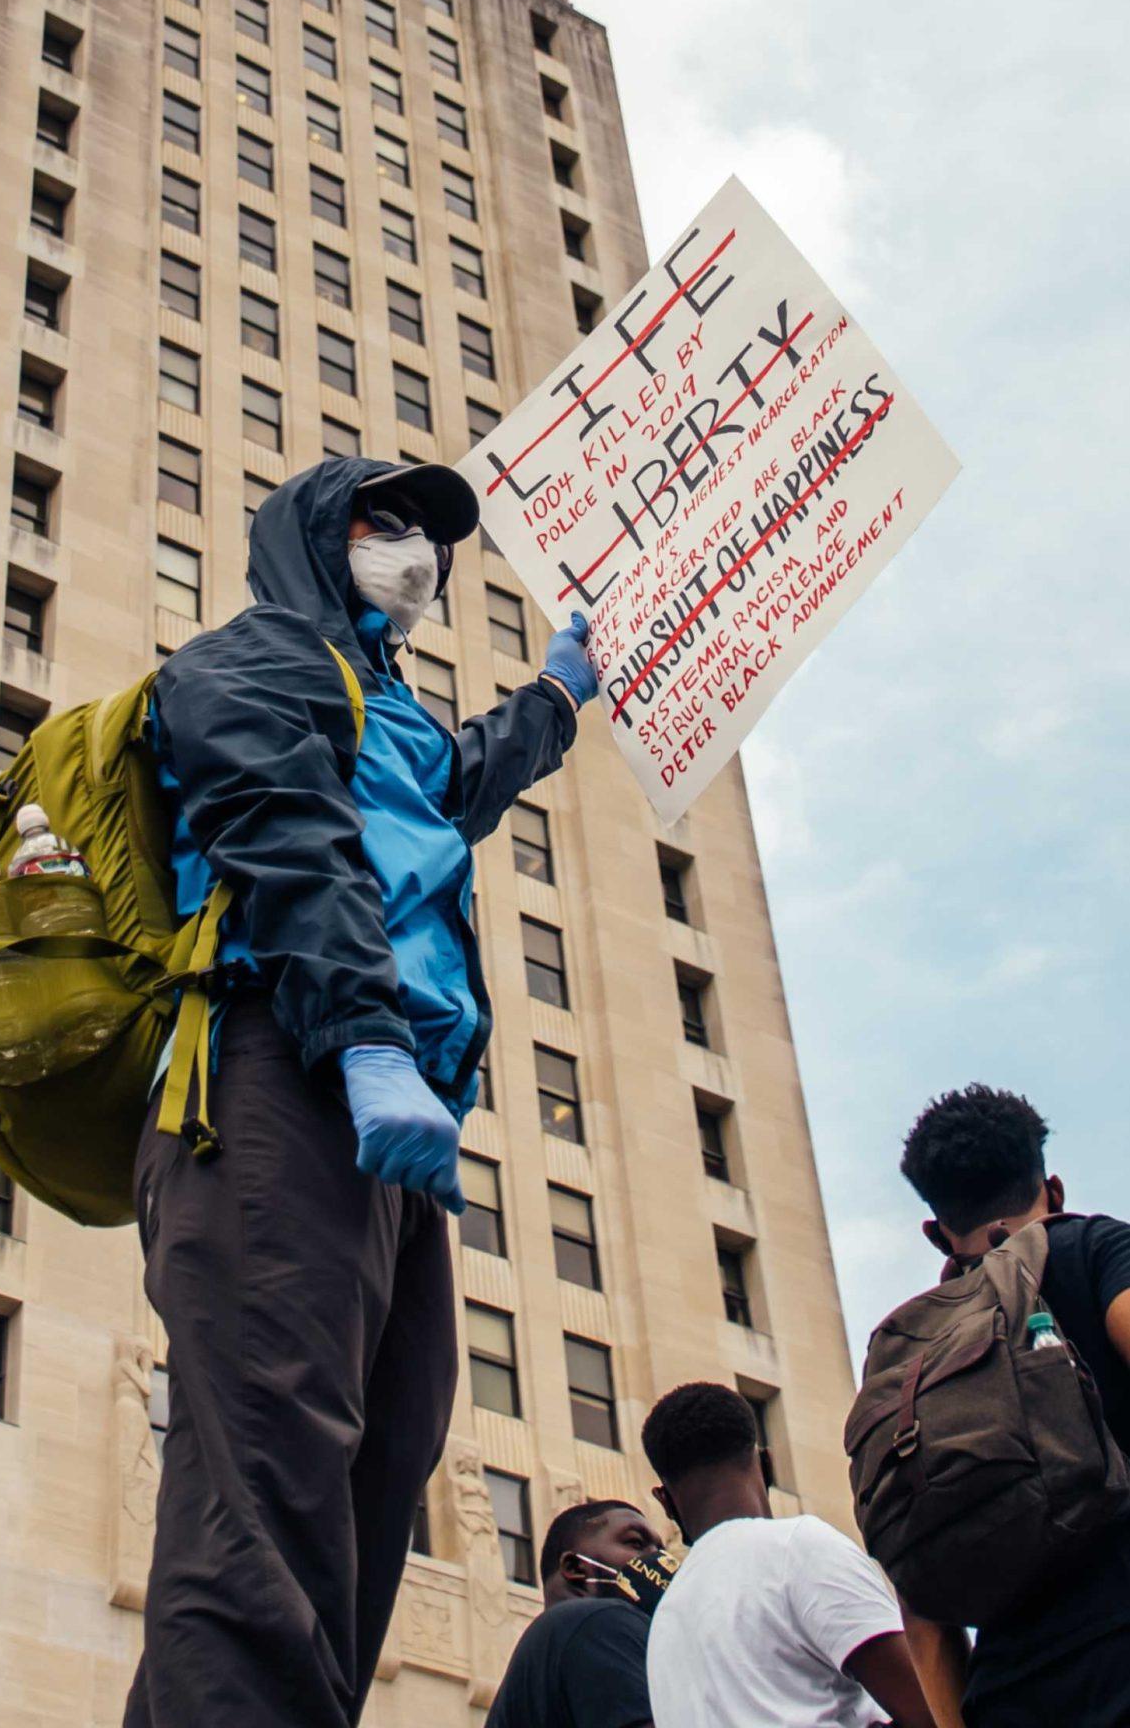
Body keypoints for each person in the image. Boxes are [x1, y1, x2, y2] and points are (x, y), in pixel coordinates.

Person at [123, 455, 598, 1728]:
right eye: (382, 524)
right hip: (280, 1077)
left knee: (376, 1470)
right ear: (315, 540)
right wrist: (366, 1043)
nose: (413, 551)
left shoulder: (388, 709)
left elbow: (460, 781)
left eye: (426, 535)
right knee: (267, 1485)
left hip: (385, 1124)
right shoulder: (251, 659)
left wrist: (555, 696)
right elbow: (288, 832)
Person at [895, 1083, 1130, 1728]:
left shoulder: (911, 1355)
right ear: (1053, 1191)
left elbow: (921, 1608)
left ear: (937, 1234)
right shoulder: (1094, 1249)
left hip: (1008, 1696)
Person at [639, 1381, 934, 1728]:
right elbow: (934, 1709)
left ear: (664, 1501)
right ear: (766, 1463)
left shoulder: (662, 1623)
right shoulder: (797, 1548)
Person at [487, 1498, 666, 1728]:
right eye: (636, 1543)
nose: (658, 1560)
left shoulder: (545, 1657)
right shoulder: (598, 1620)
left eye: (661, 1552)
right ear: (575, 1568)